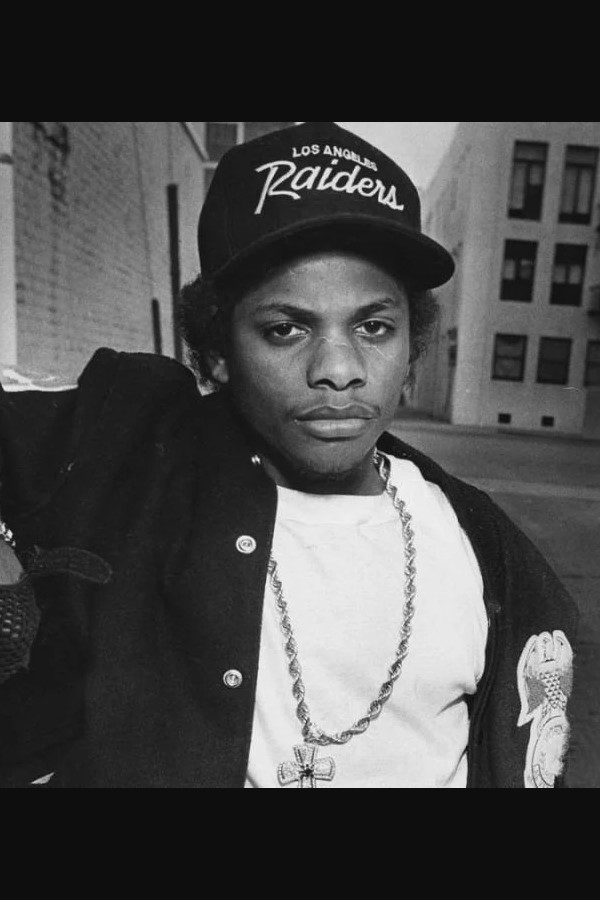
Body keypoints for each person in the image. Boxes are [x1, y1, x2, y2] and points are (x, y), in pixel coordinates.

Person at [0, 121, 579, 788]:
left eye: (373, 327)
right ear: (218, 349)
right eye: (286, 329)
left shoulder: (478, 543)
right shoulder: (133, 453)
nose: (339, 369)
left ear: (411, 346)